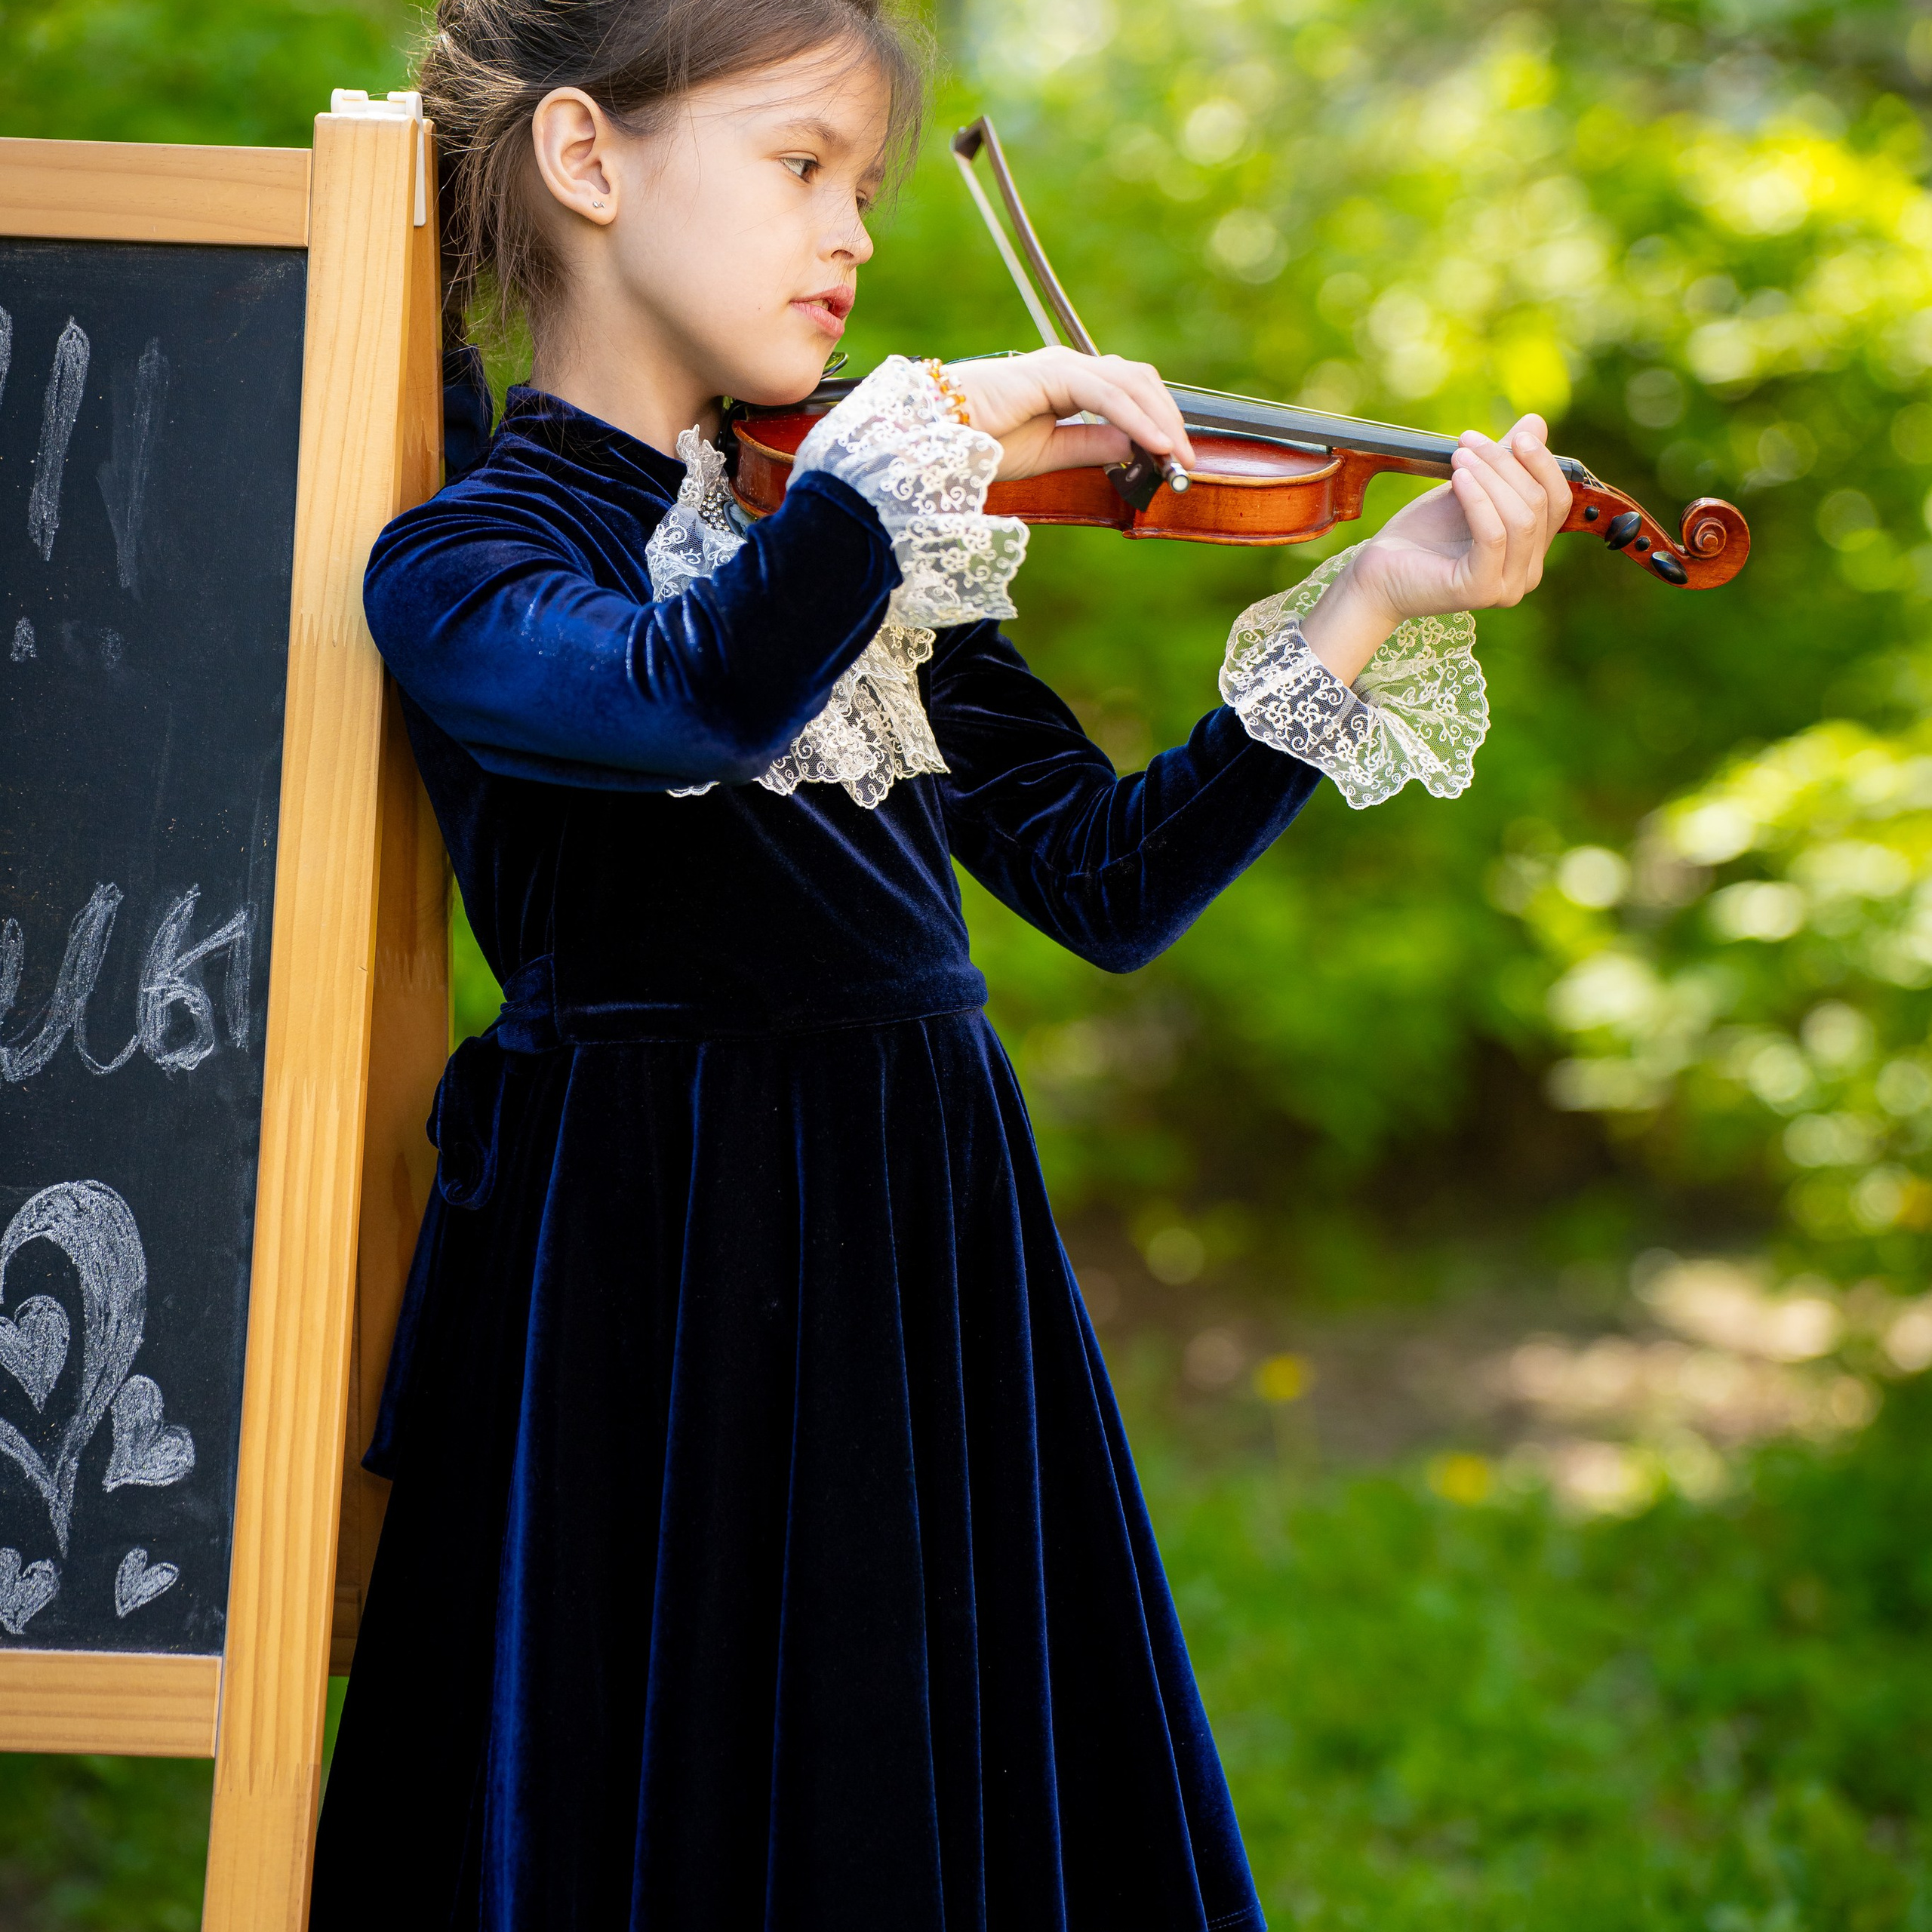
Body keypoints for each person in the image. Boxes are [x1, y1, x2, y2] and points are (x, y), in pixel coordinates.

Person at [309, 1, 1571, 1924]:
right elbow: (692, 693)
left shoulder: (847, 526)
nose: (856, 237)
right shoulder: (465, 562)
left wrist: (1379, 592)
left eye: (871, 190)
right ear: (587, 161)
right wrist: (906, 451)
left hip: (923, 1240)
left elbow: (1105, 878)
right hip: (658, 1264)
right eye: (800, 166)